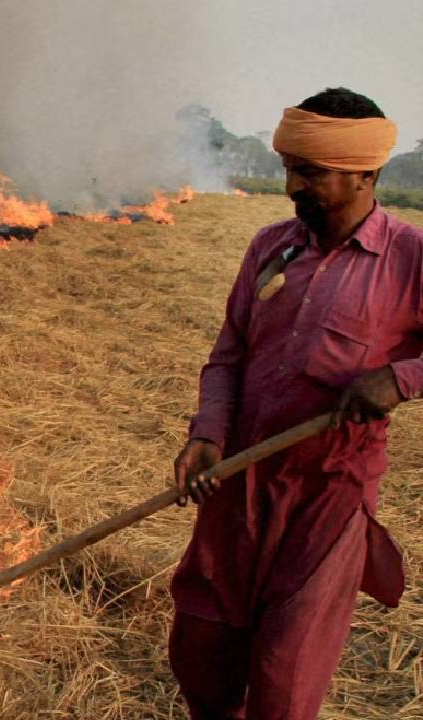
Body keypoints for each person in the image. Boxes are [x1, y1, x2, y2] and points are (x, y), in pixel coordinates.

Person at [169, 87, 415, 719]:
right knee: (201, 649)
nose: (291, 186)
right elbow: (228, 355)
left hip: (328, 495)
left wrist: (399, 379)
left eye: (311, 172)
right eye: (289, 168)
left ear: (365, 172)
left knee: (285, 674)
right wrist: (207, 435)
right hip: (238, 484)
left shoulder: (410, 260)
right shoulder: (269, 247)